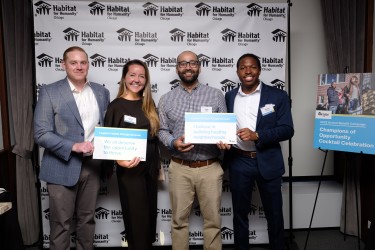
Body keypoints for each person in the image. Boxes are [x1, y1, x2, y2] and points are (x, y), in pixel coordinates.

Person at [34, 46, 110, 250]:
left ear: (88, 64)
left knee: (87, 220)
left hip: (92, 166)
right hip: (61, 165)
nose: (79, 67)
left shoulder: (102, 92)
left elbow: (106, 128)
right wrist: (74, 146)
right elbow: (41, 133)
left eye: (83, 62)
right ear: (63, 64)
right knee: (61, 224)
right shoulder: (50, 91)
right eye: (73, 62)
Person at [224, 53, 294, 250]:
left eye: (253, 67)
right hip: (239, 161)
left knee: (274, 214)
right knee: (239, 214)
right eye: (243, 67)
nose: (248, 71)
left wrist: (258, 135)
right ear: (237, 72)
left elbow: (288, 129)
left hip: (268, 161)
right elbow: (223, 126)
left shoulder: (277, 96)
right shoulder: (229, 96)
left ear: (259, 70)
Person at [158, 51, 227, 250]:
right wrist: (172, 142)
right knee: (179, 221)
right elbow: (161, 130)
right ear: (177, 68)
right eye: (183, 64)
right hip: (179, 167)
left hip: (210, 166)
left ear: (199, 66)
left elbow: (224, 128)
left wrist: (224, 140)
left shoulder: (215, 95)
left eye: (192, 63)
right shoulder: (166, 99)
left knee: (213, 221)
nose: (188, 67)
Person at [104, 59, 160, 250]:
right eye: (132, 75)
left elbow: (155, 137)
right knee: (137, 218)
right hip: (130, 170)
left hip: (150, 168)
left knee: (149, 215)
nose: (137, 79)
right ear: (124, 78)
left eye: (141, 76)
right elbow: (107, 142)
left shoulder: (148, 104)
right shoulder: (116, 106)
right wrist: (118, 160)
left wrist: (158, 167)